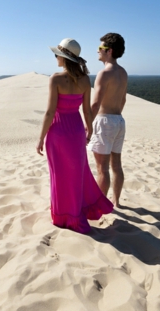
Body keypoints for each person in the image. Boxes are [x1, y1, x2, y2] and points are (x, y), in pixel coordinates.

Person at [36, 38, 114, 234]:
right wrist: (90, 129)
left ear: (62, 57)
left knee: (59, 174)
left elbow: (49, 112)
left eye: (57, 55)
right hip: (77, 131)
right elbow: (87, 111)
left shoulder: (55, 79)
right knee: (76, 173)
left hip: (58, 132)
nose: (55, 58)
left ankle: (61, 214)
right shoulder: (85, 80)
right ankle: (74, 210)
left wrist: (40, 138)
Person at [88, 33, 128, 207]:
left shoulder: (104, 73)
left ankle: (99, 205)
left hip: (104, 121)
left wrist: (88, 125)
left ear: (109, 51)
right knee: (116, 165)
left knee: (102, 168)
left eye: (101, 48)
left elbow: (95, 103)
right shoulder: (123, 72)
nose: (97, 50)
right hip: (119, 120)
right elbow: (123, 100)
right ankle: (116, 201)